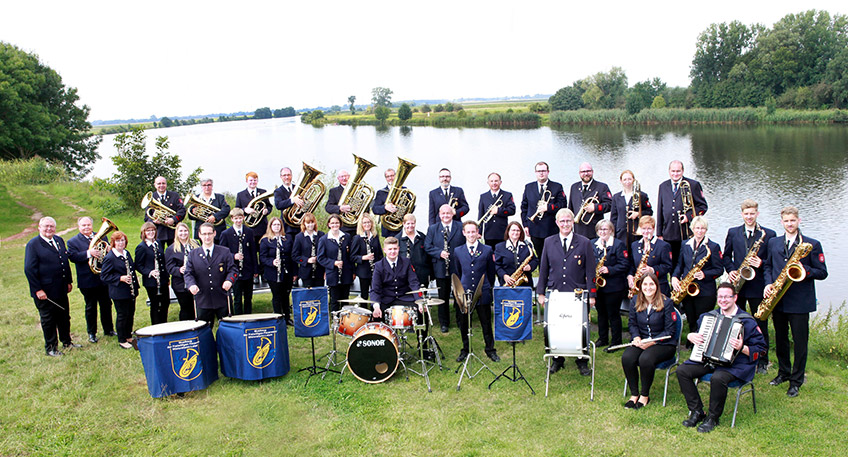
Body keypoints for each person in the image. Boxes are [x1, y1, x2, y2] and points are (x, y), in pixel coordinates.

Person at [677, 283, 766, 432]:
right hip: (709, 360)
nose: (723, 300)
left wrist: (742, 348)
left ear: (735, 298)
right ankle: (697, 411)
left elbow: (761, 350)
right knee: (682, 371)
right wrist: (691, 336)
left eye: (727, 297)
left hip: (735, 365)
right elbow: (699, 337)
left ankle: (713, 418)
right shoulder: (708, 317)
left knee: (717, 378)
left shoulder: (747, 321)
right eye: (720, 297)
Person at [763, 206, 828, 398]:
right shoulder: (773, 242)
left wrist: (805, 270)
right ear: (781, 222)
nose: (789, 224)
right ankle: (783, 372)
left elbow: (822, 272)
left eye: (792, 220)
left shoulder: (812, 244)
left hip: (800, 302)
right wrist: (768, 284)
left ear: (799, 221)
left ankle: (796, 380)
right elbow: (767, 265)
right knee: (781, 339)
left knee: (800, 342)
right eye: (786, 221)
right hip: (778, 300)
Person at [536, 208, 596, 376]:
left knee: (580, 327)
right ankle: (557, 359)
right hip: (556, 292)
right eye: (562, 221)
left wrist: (592, 294)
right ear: (557, 223)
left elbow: (591, 271)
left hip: (577, 293)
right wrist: (541, 292)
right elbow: (543, 269)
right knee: (557, 327)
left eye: (568, 221)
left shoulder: (584, 242)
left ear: (573, 222)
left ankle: (582, 361)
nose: (565, 224)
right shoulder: (549, 242)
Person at [723, 199, 776, 374]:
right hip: (738, 285)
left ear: (757, 214)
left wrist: (761, 262)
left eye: (752, 213)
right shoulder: (733, 232)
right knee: (735, 322)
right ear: (742, 214)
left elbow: (773, 261)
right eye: (746, 214)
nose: (749, 217)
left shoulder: (768, 234)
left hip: (757, 286)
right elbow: (726, 256)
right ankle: (733, 354)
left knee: (760, 323)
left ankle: (762, 360)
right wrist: (730, 270)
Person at [622, 272, 677, 409]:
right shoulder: (635, 301)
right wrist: (636, 337)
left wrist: (651, 342)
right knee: (627, 357)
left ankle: (644, 395)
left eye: (651, 284)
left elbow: (670, 331)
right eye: (645, 284)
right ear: (640, 286)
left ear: (657, 286)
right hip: (642, 340)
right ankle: (634, 394)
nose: (648, 287)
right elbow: (632, 324)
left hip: (663, 343)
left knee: (645, 359)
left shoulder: (667, 302)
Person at [24, 216, 78, 356]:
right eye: (46, 226)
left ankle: (67, 342)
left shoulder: (59, 240)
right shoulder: (33, 244)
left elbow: (64, 262)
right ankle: (51, 348)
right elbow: (29, 269)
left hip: (60, 288)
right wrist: (37, 289)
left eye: (51, 226)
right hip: (45, 292)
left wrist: (68, 281)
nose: (49, 229)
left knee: (64, 316)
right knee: (49, 320)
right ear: (39, 228)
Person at [453, 221, 499, 363]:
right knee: (464, 323)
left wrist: (486, 286)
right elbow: (456, 272)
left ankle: (490, 349)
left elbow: (491, 272)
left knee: (486, 322)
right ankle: (466, 349)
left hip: (482, 292)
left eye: (473, 232)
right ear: (464, 233)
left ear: (477, 233)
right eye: (468, 232)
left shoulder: (487, 250)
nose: (471, 235)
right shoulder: (458, 251)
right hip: (465, 293)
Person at [672, 216, 724, 339]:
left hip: (705, 290)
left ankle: (703, 342)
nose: (700, 231)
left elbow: (719, 269)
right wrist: (674, 277)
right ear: (692, 229)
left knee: (703, 319)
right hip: (687, 289)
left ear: (706, 230)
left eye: (702, 228)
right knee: (691, 317)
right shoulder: (685, 244)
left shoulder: (713, 247)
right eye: (697, 228)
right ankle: (692, 340)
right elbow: (680, 264)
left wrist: (705, 274)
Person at [66, 216, 115, 343]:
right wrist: (89, 253)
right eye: (83, 225)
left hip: (103, 277)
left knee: (106, 304)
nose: (86, 227)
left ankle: (108, 329)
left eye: (88, 225)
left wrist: (110, 250)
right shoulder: (73, 242)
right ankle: (92, 333)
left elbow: (107, 254)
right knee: (91, 307)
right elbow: (73, 257)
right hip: (87, 280)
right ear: (79, 227)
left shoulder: (102, 237)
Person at [184, 222, 239, 326]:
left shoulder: (225, 251)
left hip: (222, 298)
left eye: (209, 233)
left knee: (228, 329)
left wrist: (229, 280)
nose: (207, 237)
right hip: (203, 300)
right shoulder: (193, 254)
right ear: (199, 235)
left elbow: (233, 270)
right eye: (204, 234)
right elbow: (188, 273)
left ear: (214, 233)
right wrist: (191, 285)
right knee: (204, 332)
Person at [655, 160, 708, 267]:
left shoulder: (693, 185)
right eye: (673, 171)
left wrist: (689, 217)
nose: (675, 174)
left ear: (682, 171)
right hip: (668, 233)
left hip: (686, 233)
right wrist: (659, 233)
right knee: (670, 264)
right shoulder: (663, 186)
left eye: (678, 171)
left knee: (686, 263)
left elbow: (703, 207)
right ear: (669, 171)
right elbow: (660, 210)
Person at [424, 204, 466, 333]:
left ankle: (461, 321)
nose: (446, 216)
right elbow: (427, 246)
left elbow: (467, 243)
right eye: (443, 213)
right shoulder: (433, 229)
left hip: (457, 267)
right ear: (439, 214)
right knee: (443, 296)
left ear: (453, 213)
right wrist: (439, 253)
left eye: (448, 213)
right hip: (441, 267)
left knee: (459, 295)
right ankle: (444, 323)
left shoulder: (460, 226)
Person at [99, 231, 140, 350]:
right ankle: (122, 339)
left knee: (130, 313)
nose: (121, 243)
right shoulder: (110, 257)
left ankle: (128, 335)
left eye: (122, 240)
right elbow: (104, 276)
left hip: (130, 290)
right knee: (122, 315)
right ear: (113, 243)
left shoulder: (126, 253)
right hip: (119, 292)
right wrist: (119, 278)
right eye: (118, 241)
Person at [592, 219, 630, 347]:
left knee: (613, 314)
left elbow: (625, 264)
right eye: (600, 229)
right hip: (599, 287)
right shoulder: (593, 244)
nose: (603, 232)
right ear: (597, 231)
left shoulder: (618, 245)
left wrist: (610, 269)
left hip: (614, 287)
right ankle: (603, 339)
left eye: (606, 229)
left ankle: (616, 341)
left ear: (611, 231)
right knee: (601, 313)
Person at [520, 161, 567, 258]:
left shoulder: (557, 187)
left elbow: (563, 205)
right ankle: (542, 273)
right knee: (540, 256)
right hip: (534, 228)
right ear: (535, 172)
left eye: (543, 171)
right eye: (539, 171)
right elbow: (524, 207)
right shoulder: (528, 187)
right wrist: (525, 225)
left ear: (548, 172)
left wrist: (549, 207)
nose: (541, 173)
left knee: (554, 256)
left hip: (551, 228)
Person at [370, 236, 422, 315]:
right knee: (377, 316)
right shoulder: (379, 265)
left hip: (405, 298)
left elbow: (414, 283)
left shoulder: (406, 262)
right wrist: (376, 306)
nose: (393, 251)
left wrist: (419, 301)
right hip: (386, 300)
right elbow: (375, 289)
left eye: (395, 249)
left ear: (398, 249)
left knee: (419, 312)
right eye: (390, 249)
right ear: (384, 250)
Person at [219, 208, 257, 315]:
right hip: (234, 270)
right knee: (237, 297)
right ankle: (239, 318)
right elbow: (222, 253)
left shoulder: (249, 232)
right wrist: (233, 256)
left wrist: (255, 269)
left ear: (243, 218)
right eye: (236, 219)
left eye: (240, 218)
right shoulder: (226, 234)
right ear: (232, 219)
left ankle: (248, 317)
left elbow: (253, 251)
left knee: (248, 297)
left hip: (248, 269)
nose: (238, 221)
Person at [259, 217, 295, 324]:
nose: (276, 227)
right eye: (274, 225)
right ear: (270, 226)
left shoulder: (287, 238)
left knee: (286, 295)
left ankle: (287, 318)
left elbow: (291, 256)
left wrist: (294, 273)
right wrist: (272, 262)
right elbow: (262, 257)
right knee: (277, 296)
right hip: (273, 273)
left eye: (278, 225)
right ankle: (278, 318)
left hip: (286, 272)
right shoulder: (265, 240)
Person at [627, 216, 673, 299]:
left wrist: (653, 270)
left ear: (654, 229)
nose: (646, 231)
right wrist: (630, 276)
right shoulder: (634, 245)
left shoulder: (663, 245)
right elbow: (632, 265)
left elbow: (668, 266)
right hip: (640, 286)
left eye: (649, 229)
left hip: (658, 286)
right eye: (643, 228)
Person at [317, 214, 355, 312]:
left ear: (340, 224)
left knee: (345, 299)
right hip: (333, 274)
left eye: (337, 223)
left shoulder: (346, 237)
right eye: (332, 223)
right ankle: (335, 321)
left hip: (346, 273)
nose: (335, 225)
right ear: (329, 224)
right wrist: (333, 263)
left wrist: (353, 271)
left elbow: (351, 256)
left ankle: (345, 322)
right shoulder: (324, 239)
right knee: (334, 300)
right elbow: (320, 258)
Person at [135, 222, 170, 325]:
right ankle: (156, 325)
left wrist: (166, 277)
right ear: (144, 232)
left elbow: (162, 261)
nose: (151, 232)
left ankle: (164, 323)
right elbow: (138, 265)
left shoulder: (158, 243)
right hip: (151, 281)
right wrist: (149, 272)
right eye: (148, 231)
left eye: (153, 230)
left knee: (165, 302)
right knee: (155, 305)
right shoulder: (141, 247)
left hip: (162, 279)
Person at [164, 222, 200, 321]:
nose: (183, 233)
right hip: (181, 283)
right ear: (176, 233)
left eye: (185, 231)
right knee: (186, 308)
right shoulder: (171, 249)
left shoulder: (195, 244)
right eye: (180, 231)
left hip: (196, 281)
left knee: (197, 307)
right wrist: (179, 270)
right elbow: (169, 267)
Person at [567, 162, 612, 239]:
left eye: (588, 171)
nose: (586, 174)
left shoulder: (602, 187)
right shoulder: (574, 187)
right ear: (579, 173)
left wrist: (595, 207)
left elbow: (610, 205)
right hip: (578, 230)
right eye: (583, 172)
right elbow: (570, 208)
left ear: (592, 172)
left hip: (595, 230)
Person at [610, 170, 652, 248]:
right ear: (621, 181)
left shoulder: (641, 195)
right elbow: (613, 217)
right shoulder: (616, 197)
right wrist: (613, 233)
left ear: (633, 180)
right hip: (621, 233)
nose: (627, 182)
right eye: (625, 179)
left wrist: (638, 214)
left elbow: (649, 212)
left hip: (636, 232)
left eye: (629, 179)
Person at [144, 176, 186, 249]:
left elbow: (182, 210)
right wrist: (153, 221)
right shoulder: (151, 197)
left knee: (175, 253)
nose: (161, 186)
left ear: (166, 184)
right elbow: (147, 216)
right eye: (159, 183)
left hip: (173, 232)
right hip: (158, 232)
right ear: (155, 185)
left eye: (163, 183)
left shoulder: (174, 195)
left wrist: (173, 219)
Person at [493, 221, 538, 288]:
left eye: (518, 230)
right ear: (508, 231)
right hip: (507, 283)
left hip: (525, 285)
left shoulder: (527, 245)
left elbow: (535, 260)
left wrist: (530, 266)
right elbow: (497, 265)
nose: (515, 232)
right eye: (513, 230)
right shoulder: (500, 247)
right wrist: (504, 276)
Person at [477, 172, 516, 248]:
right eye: (491, 181)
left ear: (500, 182)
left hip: (502, 231)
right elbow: (480, 215)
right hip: (489, 233)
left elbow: (512, 210)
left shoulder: (507, 195)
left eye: (496, 181)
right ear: (488, 182)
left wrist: (499, 211)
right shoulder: (483, 196)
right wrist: (479, 232)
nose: (494, 183)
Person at [235, 171, 270, 251]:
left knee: (264, 250)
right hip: (249, 227)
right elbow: (237, 209)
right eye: (251, 180)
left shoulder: (263, 192)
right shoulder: (240, 194)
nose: (253, 182)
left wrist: (266, 210)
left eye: (255, 180)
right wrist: (245, 210)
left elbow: (269, 206)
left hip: (262, 227)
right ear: (247, 181)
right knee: (251, 251)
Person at [372, 167, 410, 238]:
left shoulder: (404, 190)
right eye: (388, 176)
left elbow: (411, 207)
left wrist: (399, 208)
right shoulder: (381, 192)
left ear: (396, 176)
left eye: (392, 175)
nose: (390, 178)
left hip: (402, 227)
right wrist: (385, 207)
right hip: (388, 229)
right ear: (386, 178)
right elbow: (375, 209)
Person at [351, 214, 382, 300]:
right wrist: (364, 257)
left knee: (376, 293)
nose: (367, 224)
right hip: (363, 272)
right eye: (364, 223)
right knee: (364, 296)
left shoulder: (375, 237)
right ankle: (364, 312)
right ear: (361, 224)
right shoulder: (357, 238)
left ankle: (375, 311)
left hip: (375, 271)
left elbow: (380, 254)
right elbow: (352, 257)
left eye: (369, 222)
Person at [398, 214, 432, 289]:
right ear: (404, 224)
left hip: (422, 275)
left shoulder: (422, 237)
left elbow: (428, 255)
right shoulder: (397, 239)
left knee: (421, 299)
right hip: (405, 276)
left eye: (412, 223)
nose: (410, 226)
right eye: (408, 223)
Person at [292, 212, 325, 288]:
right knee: (308, 296)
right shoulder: (299, 237)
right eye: (308, 223)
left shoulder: (321, 235)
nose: (310, 225)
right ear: (304, 224)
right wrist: (306, 260)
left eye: (312, 222)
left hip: (319, 272)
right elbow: (295, 256)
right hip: (306, 272)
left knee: (319, 294)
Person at [274, 166, 306, 238]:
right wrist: (292, 200)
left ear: (291, 176)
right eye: (284, 175)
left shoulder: (298, 188)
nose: (286, 177)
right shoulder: (278, 191)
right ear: (281, 177)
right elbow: (278, 205)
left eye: (288, 175)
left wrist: (304, 203)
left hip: (299, 224)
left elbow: (304, 201)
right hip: (286, 226)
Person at [324, 169, 356, 237]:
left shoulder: (357, 190)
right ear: (338, 179)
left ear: (350, 177)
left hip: (356, 227)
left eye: (346, 176)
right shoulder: (333, 191)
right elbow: (328, 207)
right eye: (341, 177)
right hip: (342, 227)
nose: (344, 178)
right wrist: (340, 208)